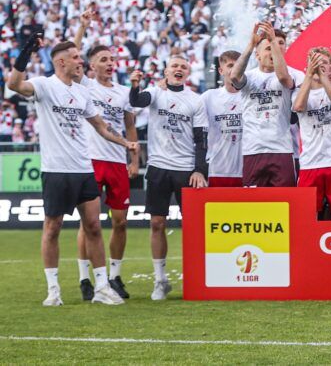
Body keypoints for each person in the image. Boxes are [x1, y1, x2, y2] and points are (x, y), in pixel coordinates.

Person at [7, 36, 137, 307]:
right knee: (52, 229)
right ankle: (53, 290)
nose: (81, 61)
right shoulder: (44, 85)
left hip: (83, 168)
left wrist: (125, 143)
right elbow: (14, 84)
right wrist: (25, 54)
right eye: (77, 57)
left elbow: (101, 126)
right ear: (61, 61)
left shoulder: (81, 92)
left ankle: (102, 287)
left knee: (93, 226)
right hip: (56, 170)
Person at [129, 56, 208, 301]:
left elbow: (201, 140)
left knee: (194, 228)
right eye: (174, 65)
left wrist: (199, 170)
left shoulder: (195, 100)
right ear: (166, 70)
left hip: (185, 169)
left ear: (188, 73)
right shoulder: (155, 92)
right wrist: (135, 84)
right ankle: (160, 280)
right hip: (159, 166)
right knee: (157, 224)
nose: (179, 69)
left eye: (183, 66)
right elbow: (136, 101)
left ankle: (198, 278)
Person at [75, 37, 139, 301]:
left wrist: (134, 160)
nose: (110, 63)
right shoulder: (85, 85)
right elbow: (72, 56)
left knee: (120, 221)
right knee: (88, 223)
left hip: (116, 162)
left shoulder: (124, 92)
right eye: (104, 60)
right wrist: (82, 27)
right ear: (91, 66)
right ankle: (84, 278)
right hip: (90, 160)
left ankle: (114, 275)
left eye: (112, 59)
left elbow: (130, 127)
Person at [229, 22, 300, 187]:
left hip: (282, 150)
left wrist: (273, 43)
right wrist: (250, 44)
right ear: (257, 55)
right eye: (268, 48)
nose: (273, 52)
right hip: (253, 149)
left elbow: (283, 79)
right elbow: (234, 77)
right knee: (254, 207)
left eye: (278, 46)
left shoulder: (295, 75)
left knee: (284, 206)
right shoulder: (249, 76)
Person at [292, 48, 331, 220]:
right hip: (310, 163)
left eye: (324, 62)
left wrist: (323, 77)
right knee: (307, 212)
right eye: (316, 62)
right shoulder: (298, 91)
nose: (320, 65)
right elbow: (298, 107)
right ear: (308, 65)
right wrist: (309, 76)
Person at [202, 51, 244, 188]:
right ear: (220, 70)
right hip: (217, 170)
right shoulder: (209, 97)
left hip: (247, 170)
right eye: (231, 65)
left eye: (239, 65)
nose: (235, 69)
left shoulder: (251, 95)